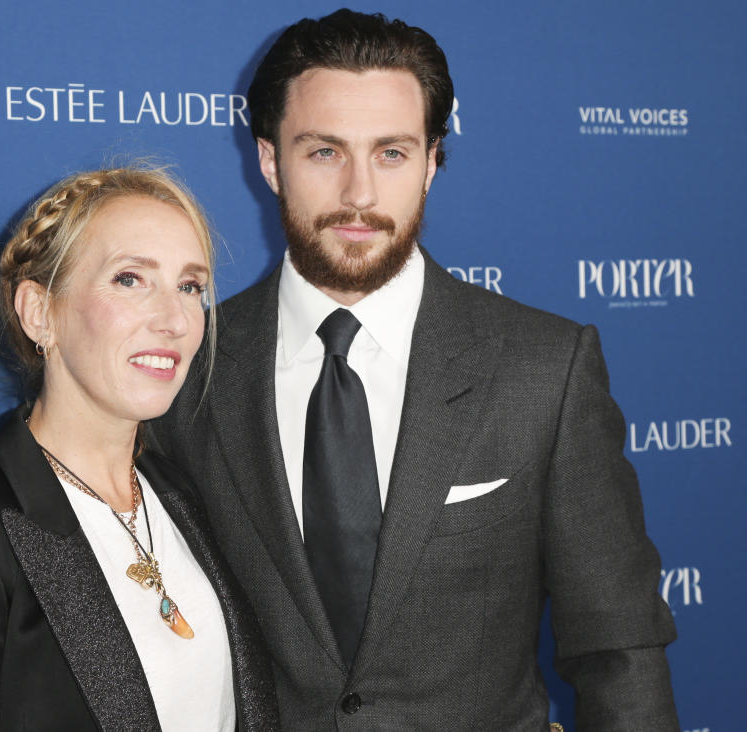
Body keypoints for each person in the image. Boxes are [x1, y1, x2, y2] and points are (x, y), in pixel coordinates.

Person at [148, 9, 679, 730]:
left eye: (391, 154)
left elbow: (620, 653)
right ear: (271, 161)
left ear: (433, 160)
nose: (359, 194)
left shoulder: (544, 369)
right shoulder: (189, 369)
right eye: (324, 152)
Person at [0, 165, 279, 731]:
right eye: (130, 279)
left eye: (190, 286)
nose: (175, 319)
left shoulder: (176, 491)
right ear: (40, 313)